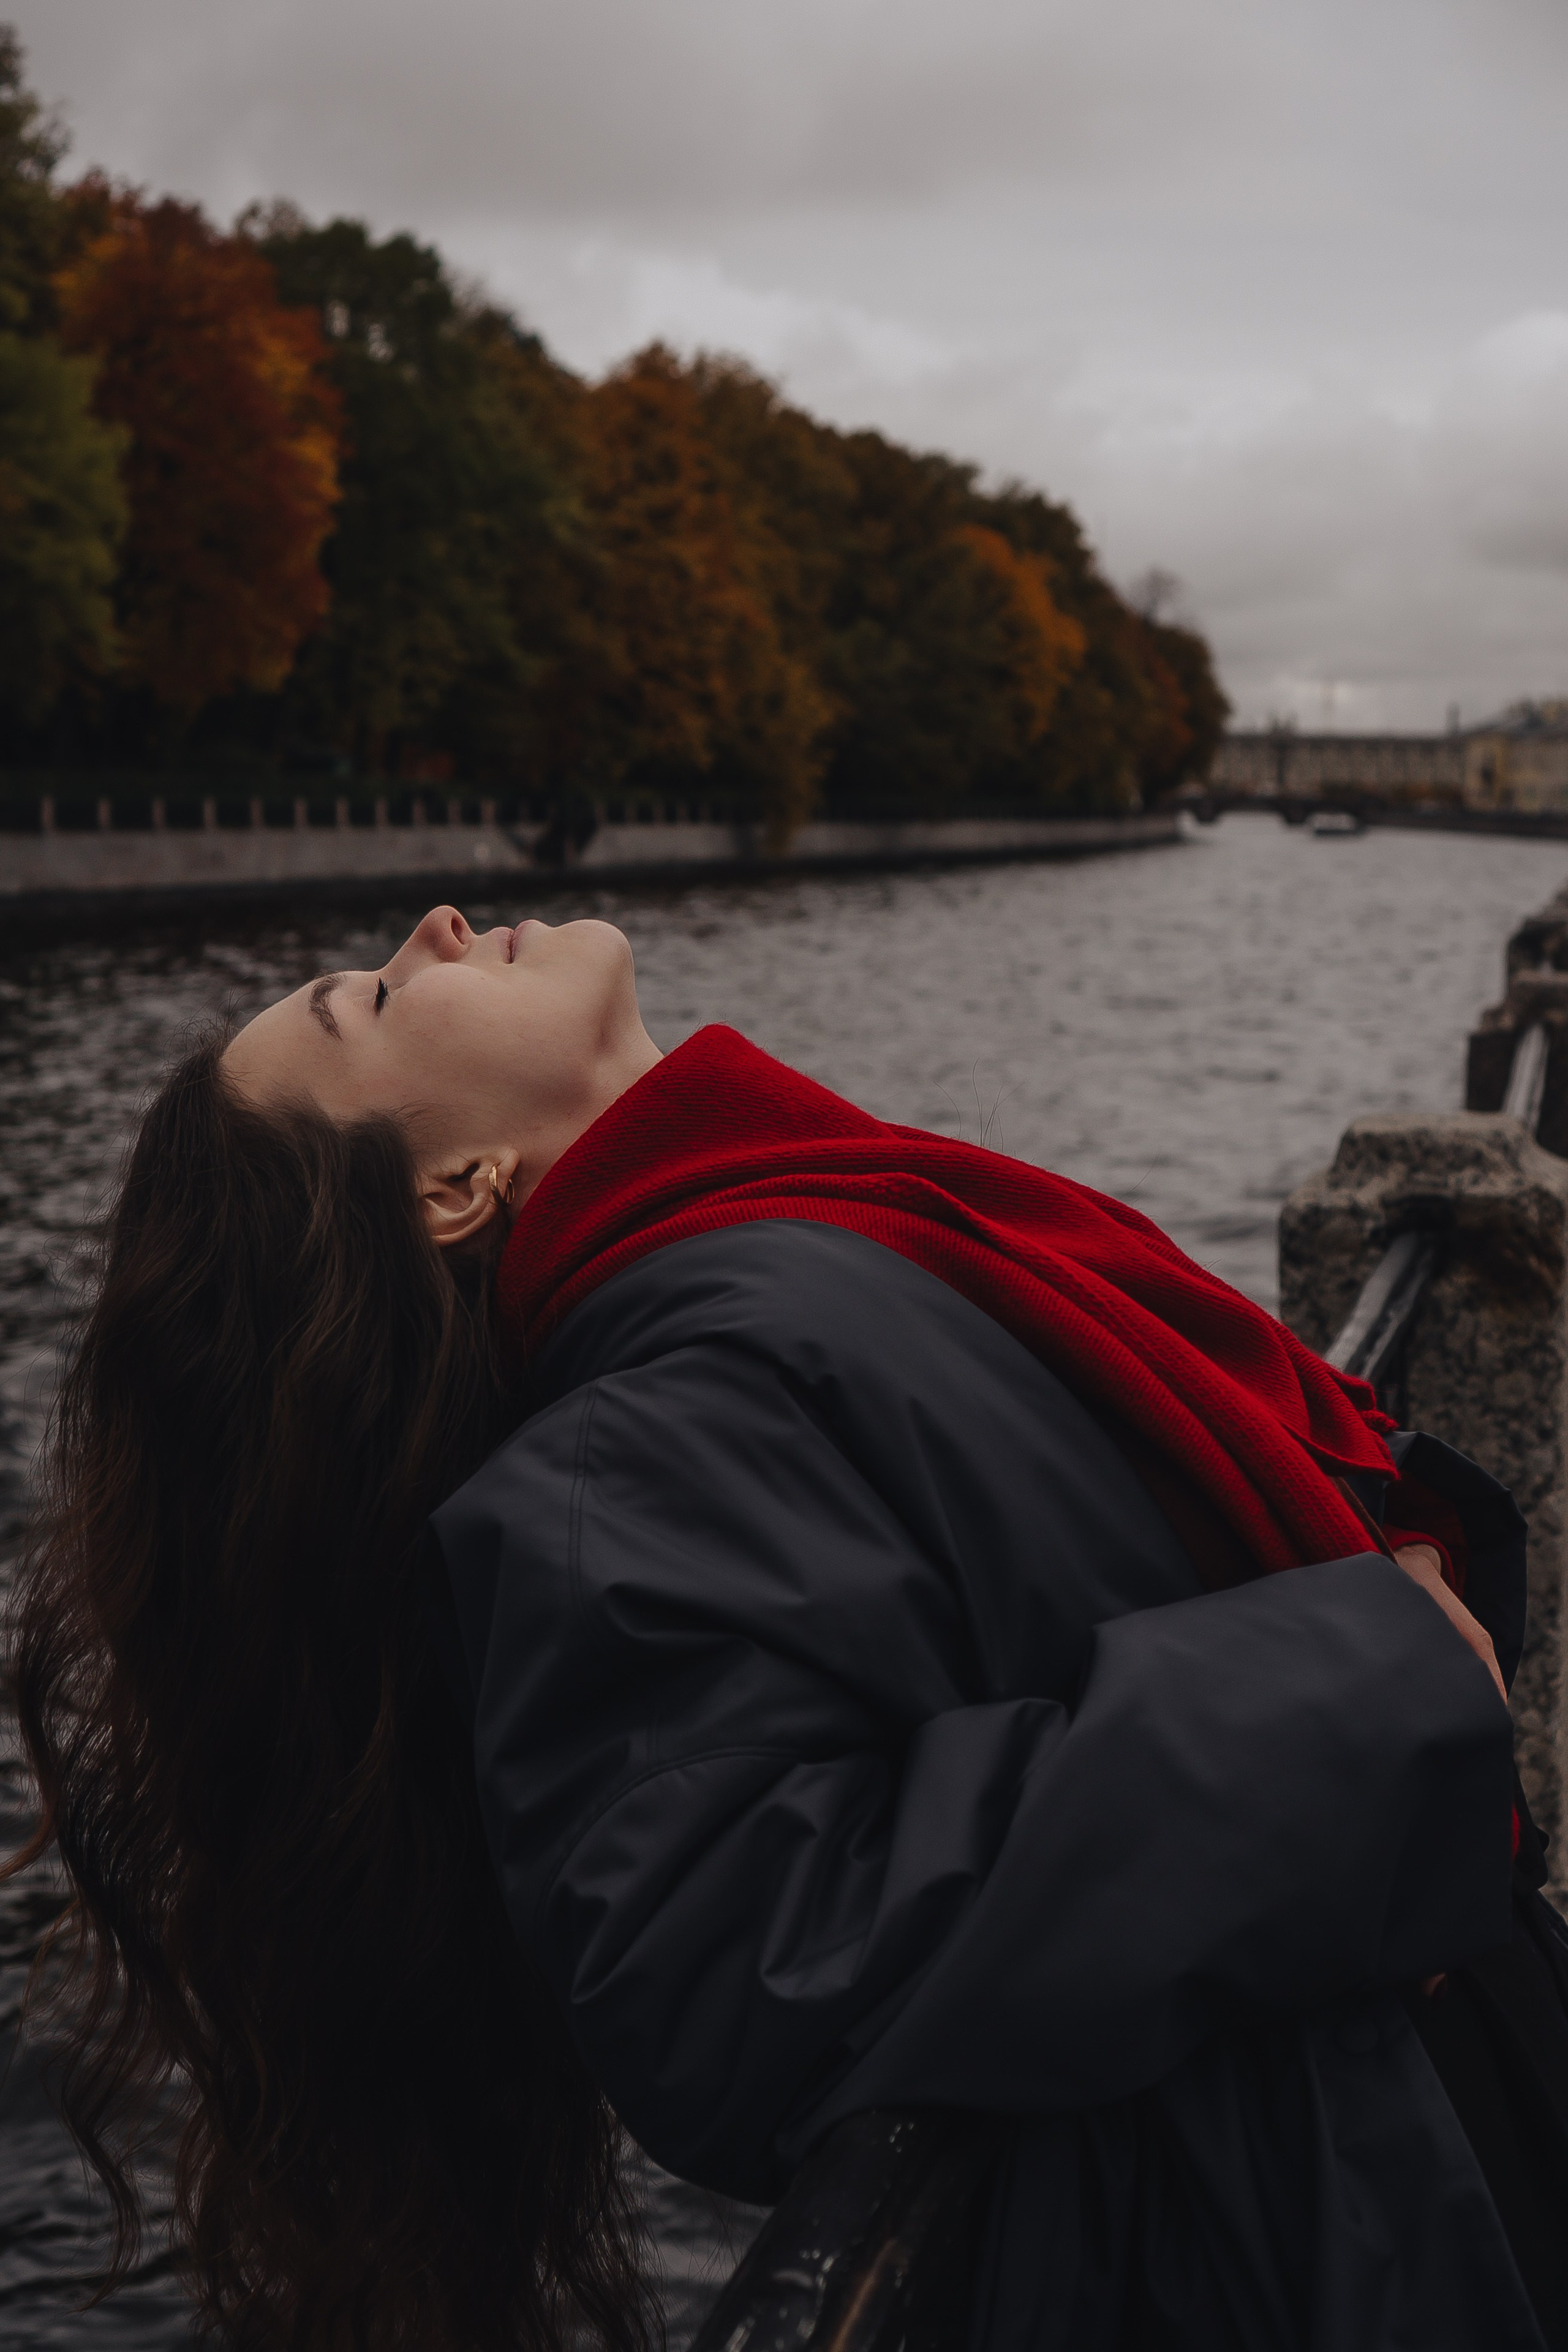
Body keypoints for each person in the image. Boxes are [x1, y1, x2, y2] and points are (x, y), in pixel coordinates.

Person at [10, 902, 1568, 2352]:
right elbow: (746, 1976)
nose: (428, 930)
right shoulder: (621, 1456)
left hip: (1384, 2073)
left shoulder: (749, 1258)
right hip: (1318, 2210)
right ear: (449, 1188)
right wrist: (1359, 1679)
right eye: (365, 1005)